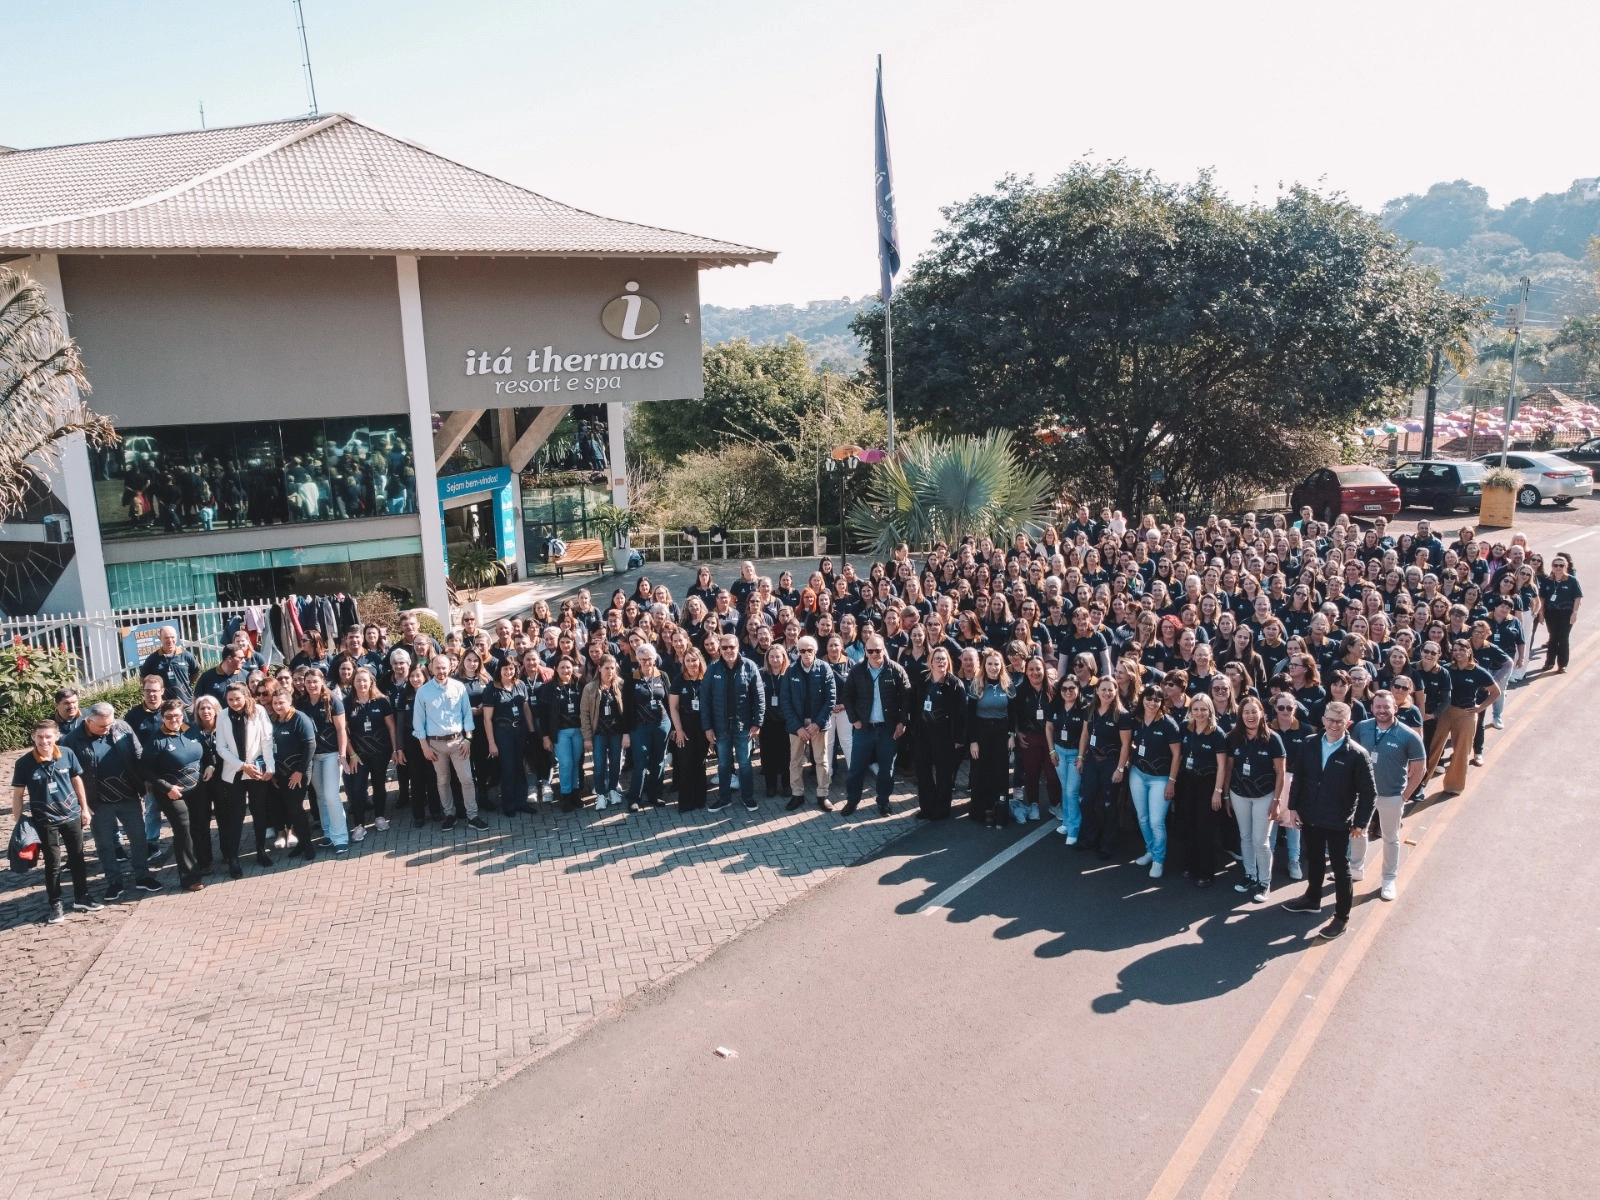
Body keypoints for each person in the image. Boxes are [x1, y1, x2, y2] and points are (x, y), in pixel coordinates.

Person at [1283, 701, 1377, 941]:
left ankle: (1341, 918)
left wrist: (1360, 823)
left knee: (1340, 868)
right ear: (1323, 720)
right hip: (1310, 815)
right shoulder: (1309, 744)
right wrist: (1293, 808)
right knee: (1313, 859)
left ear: (1348, 723)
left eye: (1339, 721)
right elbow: (1299, 777)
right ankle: (1312, 899)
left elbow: (1369, 793)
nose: (1334, 725)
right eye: (1330, 720)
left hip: (1338, 820)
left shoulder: (1357, 754)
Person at [63, 703, 160, 900]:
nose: (107, 729)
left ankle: (143, 875)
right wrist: (81, 804)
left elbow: (138, 752)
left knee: (138, 837)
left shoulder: (121, 727)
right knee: (105, 844)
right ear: (88, 721)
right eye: (102, 726)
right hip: (97, 802)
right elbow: (70, 774)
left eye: (110, 724)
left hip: (128, 795)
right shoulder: (72, 740)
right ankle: (114, 881)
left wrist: (145, 780)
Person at [11, 720, 101, 923]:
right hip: (45, 820)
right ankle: (56, 903)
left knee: (77, 858)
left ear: (56, 736)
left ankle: (82, 897)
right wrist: (20, 823)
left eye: (48, 736)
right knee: (52, 864)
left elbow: (77, 781)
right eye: (40, 737)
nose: (44, 741)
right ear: (33, 737)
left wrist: (84, 809)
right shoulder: (24, 763)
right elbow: (18, 796)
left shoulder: (67, 754)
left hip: (71, 815)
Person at [1350, 690, 1426, 902]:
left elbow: (1420, 768)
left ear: (1395, 708)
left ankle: (1389, 879)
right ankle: (1356, 868)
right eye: (1378, 706)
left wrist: (1404, 796)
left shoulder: (1408, 735)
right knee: (1357, 831)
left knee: (1390, 838)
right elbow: (1350, 756)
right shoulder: (1362, 728)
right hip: (1362, 794)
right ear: (1372, 708)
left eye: (1386, 707)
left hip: (1391, 795)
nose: (1382, 710)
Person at [413, 653, 486, 830]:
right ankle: (450, 814)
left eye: (444, 667)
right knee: (442, 781)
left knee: (467, 779)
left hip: (458, 742)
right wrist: (424, 747)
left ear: (450, 667)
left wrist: (468, 739)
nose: (441, 671)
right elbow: (418, 722)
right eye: (437, 668)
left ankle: (472, 815)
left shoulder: (458, 687)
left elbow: (467, 714)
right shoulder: (423, 692)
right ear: (431, 668)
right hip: (435, 745)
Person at [841, 635, 911, 817]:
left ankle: (883, 801)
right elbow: (847, 696)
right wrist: (854, 719)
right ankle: (852, 800)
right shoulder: (857, 671)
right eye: (870, 651)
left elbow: (907, 697)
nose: (874, 654)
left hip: (888, 730)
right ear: (865, 651)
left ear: (884, 650)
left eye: (878, 650)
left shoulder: (896, 670)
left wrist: (902, 722)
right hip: (864, 729)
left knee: (886, 769)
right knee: (856, 769)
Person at [1223, 697, 1284, 903]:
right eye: (1246, 712)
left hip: (1264, 797)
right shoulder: (1233, 738)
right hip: (1239, 794)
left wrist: (1276, 801)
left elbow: (1280, 773)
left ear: (1261, 714)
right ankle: (1250, 874)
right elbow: (1229, 768)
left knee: (1261, 840)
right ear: (1241, 715)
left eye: (1254, 711)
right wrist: (1226, 795)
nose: (1250, 716)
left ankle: (1265, 881)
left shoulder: (1273, 739)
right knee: (1245, 836)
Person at [142, 699, 206, 892]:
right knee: (183, 830)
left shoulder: (191, 730)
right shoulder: (156, 740)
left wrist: (210, 766)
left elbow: (206, 753)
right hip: (172, 793)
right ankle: (189, 878)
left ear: (182, 715)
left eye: (177, 716)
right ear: (163, 717)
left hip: (198, 789)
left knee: (200, 826)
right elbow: (145, 770)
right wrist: (167, 787)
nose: (173, 720)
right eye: (168, 717)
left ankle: (203, 864)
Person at [214, 681, 276, 873]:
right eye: (230, 699)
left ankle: (260, 850)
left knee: (259, 812)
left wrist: (270, 768)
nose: (234, 703)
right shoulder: (223, 715)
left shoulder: (258, 711)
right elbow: (221, 747)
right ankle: (233, 857)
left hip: (257, 769)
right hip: (234, 771)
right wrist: (242, 766)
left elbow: (266, 739)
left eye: (238, 699)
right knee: (236, 815)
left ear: (246, 696)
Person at [1424, 641, 1500, 797]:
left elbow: (1495, 692)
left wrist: (1480, 708)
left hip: (1466, 714)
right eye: (1455, 650)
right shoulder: (1445, 669)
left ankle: (1454, 785)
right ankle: (1421, 782)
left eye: (1461, 650)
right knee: (1434, 747)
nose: (1457, 653)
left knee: (1461, 751)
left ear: (1469, 651)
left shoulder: (1478, 671)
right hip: (1445, 712)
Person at [1124, 681, 1182, 877]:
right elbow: (1128, 741)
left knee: (1157, 821)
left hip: (1161, 778)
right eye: (1149, 698)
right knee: (1142, 817)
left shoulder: (1168, 724)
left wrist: (1172, 782)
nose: (1153, 702)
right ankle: (1150, 850)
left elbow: (1177, 755)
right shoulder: (1136, 719)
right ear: (1143, 699)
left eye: (1157, 699)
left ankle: (1159, 859)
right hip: (1138, 774)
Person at [704, 633, 764, 812]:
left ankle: (747, 797)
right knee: (723, 764)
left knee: (745, 764)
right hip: (720, 727)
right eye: (725, 648)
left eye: (732, 647)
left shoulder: (750, 666)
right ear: (720, 649)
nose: (729, 650)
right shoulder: (712, 669)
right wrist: (707, 727)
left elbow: (759, 697)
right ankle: (724, 798)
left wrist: (757, 723)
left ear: (738, 647)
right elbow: (705, 699)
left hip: (744, 726)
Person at [1173, 693, 1229, 887]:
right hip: (1188, 780)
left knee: (1204, 827)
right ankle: (1191, 865)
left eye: (1203, 709)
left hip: (1208, 782)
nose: (1199, 713)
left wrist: (1217, 791)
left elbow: (1222, 766)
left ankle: (1206, 872)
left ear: (1210, 710)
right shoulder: (1185, 728)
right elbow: (1178, 756)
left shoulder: (1217, 733)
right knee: (1188, 823)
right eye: (1195, 709)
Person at [298, 669, 353, 851]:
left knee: (331, 795)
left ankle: (341, 838)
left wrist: (342, 755)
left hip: (331, 754)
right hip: (312, 756)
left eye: (315, 681)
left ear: (322, 681)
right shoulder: (300, 703)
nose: (312, 685)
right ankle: (328, 832)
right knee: (320, 797)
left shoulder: (333, 701)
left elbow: (341, 729)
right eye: (308, 682)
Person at [1077, 675, 1130, 860]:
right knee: (1086, 800)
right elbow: (1085, 735)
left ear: (1116, 691)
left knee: (1109, 804)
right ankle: (1088, 838)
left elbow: (1125, 744)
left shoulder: (1122, 715)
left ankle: (1107, 844)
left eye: (1110, 689)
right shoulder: (1089, 710)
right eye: (1103, 689)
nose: (1107, 693)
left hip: (1111, 762)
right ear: (1097, 691)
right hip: (1092, 760)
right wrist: (1080, 757)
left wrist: (1120, 769)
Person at [780, 636, 836, 811]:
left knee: (821, 760)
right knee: (795, 761)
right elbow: (785, 700)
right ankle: (797, 795)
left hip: (818, 724)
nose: (805, 654)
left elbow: (830, 698)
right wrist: (797, 727)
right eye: (801, 650)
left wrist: (817, 724)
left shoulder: (824, 669)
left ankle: (823, 795)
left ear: (815, 651)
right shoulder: (791, 671)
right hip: (796, 725)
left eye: (809, 650)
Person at [913, 646, 966, 820]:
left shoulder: (955, 684)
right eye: (937, 659)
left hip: (944, 735)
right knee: (923, 773)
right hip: (924, 733)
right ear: (931, 661)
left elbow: (960, 714)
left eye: (944, 659)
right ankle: (926, 808)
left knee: (944, 774)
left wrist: (959, 739)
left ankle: (941, 810)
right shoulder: (923, 678)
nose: (941, 662)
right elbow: (915, 704)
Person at [345, 666, 398, 831]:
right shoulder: (347, 703)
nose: (361, 684)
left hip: (380, 751)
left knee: (379, 784)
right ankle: (359, 825)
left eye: (365, 680)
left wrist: (395, 749)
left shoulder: (382, 701)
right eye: (358, 680)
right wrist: (351, 754)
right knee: (358, 788)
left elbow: (391, 727)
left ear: (371, 682)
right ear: (353, 682)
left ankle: (380, 817)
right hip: (358, 754)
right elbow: (343, 731)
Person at [267, 684, 316, 859]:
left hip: (298, 773)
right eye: (275, 703)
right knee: (290, 809)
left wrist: (300, 771)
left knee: (296, 808)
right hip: (281, 773)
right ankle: (302, 843)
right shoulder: (275, 720)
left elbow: (310, 745)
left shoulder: (300, 718)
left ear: (290, 701)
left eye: (281, 702)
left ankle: (308, 845)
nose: (278, 706)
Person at [965, 648, 1013, 827]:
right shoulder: (976, 684)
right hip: (981, 733)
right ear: (984, 666)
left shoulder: (1008, 684)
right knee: (980, 771)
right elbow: (970, 716)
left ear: (1002, 666)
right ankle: (979, 811)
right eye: (990, 664)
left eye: (997, 664)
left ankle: (999, 810)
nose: (993, 667)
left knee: (1000, 772)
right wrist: (973, 741)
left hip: (1001, 733)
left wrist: (1011, 735)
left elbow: (1013, 714)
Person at [622, 644, 672, 812]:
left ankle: (655, 794)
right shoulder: (632, 678)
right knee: (641, 761)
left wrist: (672, 725)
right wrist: (626, 732)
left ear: (654, 658)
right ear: (638, 659)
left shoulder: (663, 676)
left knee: (659, 761)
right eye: (642, 659)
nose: (646, 662)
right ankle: (634, 797)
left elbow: (669, 702)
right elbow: (627, 708)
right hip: (640, 726)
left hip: (661, 724)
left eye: (649, 659)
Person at [541, 656, 586, 812]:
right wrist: (546, 737)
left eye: (568, 667)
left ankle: (575, 793)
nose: (565, 671)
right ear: (556, 669)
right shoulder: (549, 688)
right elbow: (543, 715)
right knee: (565, 764)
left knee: (576, 762)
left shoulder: (580, 684)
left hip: (578, 730)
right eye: (562, 668)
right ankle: (566, 795)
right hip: (560, 732)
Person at [582, 655, 626, 810]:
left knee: (616, 763)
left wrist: (626, 733)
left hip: (616, 732)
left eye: (612, 668)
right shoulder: (590, 688)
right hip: (599, 733)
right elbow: (584, 714)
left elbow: (627, 712)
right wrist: (587, 738)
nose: (610, 671)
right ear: (599, 668)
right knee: (600, 765)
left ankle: (613, 789)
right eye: (606, 668)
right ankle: (601, 793)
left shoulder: (621, 685)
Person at [668, 648, 709, 812]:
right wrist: (678, 729)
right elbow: (673, 707)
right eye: (688, 661)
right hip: (685, 727)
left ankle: (700, 799)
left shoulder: (706, 679)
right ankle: (686, 802)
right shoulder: (679, 680)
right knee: (685, 764)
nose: (692, 664)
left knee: (700, 763)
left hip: (703, 727)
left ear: (700, 660)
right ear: (684, 663)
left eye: (694, 660)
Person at [1049, 675, 1085, 842]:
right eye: (1064, 688)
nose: (1068, 692)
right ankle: (1068, 821)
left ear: (1078, 689)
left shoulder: (1084, 708)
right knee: (1065, 788)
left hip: (1075, 754)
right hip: (1059, 752)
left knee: (1072, 791)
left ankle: (1074, 829)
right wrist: (1051, 751)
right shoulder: (1055, 705)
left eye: (1072, 688)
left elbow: (1086, 734)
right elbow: (1049, 728)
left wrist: (1081, 756)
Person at [757, 645, 792, 799]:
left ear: (784, 657)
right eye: (771, 657)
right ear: (767, 658)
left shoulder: (790, 674)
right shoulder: (761, 674)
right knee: (767, 755)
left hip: (786, 721)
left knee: (786, 755)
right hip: (767, 721)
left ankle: (786, 784)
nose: (775, 660)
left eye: (778, 656)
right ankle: (770, 785)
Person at [1538, 553, 1581, 673]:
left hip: (1566, 613)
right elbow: (1542, 598)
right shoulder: (1547, 581)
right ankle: (1549, 663)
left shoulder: (1571, 580)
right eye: (1555, 565)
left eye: (1561, 565)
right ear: (1552, 567)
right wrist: (1541, 613)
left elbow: (1578, 597)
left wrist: (1575, 613)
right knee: (1553, 637)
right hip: (1551, 613)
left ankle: (1562, 664)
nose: (1558, 568)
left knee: (1563, 638)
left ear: (1565, 567)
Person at [140, 625, 201, 709]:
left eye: (172, 637)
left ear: (177, 637)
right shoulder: (153, 659)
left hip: (186, 704)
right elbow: (143, 679)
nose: (170, 640)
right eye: (166, 638)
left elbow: (195, 673)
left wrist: (185, 684)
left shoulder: (187, 656)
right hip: (165, 706)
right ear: (160, 638)